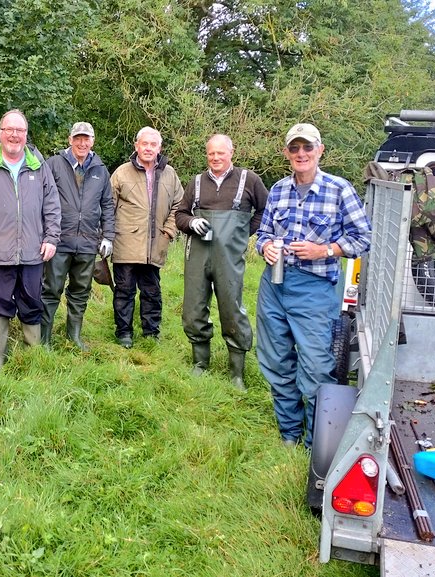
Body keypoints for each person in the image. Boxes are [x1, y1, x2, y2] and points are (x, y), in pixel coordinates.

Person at [255, 123, 371, 448]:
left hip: (315, 289)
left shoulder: (339, 189)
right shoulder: (277, 189)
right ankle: (289, 435)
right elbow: (262, 234)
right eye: (295, 148)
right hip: (274, 286)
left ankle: (314, 442)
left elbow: (364, 238)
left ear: (320, 150)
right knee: (276, 361)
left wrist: (325, 250)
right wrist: (265, 247)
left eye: (308, 147)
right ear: (287, 153)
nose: (301, 154)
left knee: (316, 367)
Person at [0, 109, 61, 370]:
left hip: (33, 251)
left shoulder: (38, 165)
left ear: (26, 134)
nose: (14, 135)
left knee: (32, 302)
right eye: (9, 130)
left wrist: (52, 237)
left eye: (19, 130)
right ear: (0, 133)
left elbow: (52, 204)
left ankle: (33, 356)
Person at [175, 134, 268, 390]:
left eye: (220, 153)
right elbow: (180, 215)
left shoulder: (249, 180)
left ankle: (236, 372)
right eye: (211, 154)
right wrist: (191, 222)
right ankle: (200, 363)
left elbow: (265, 210)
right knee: (193, 309)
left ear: (231, 153)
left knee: (232, 309)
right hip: (198, 255)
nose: (215, 158)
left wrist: (244, 232)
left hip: (229, 257)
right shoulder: (196, 182)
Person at [40, 121, 115, 351]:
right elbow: (42, 200)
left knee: (81, 291)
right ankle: (44, 339)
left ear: (93, 141)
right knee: (51, 290)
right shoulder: (54, 164)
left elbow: (108, 205)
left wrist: (108, 236)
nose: (82, 143)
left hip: (88, 243)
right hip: (59, 241)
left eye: (86, 138)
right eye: (77, 138)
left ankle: (74, 336)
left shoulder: (100, 169)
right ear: (70, 140)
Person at [109, 126, 184, 348]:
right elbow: (108, 206)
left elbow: (180, 205)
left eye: (153, 144)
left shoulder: (170, 174)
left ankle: (151, 333)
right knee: (124, 291)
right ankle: (124, 333)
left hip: (155, 243)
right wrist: (105, 236)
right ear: (137, 146)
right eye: (145, 144)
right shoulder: (121, 173)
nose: (148, 148)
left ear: (159, 148)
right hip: (125, 242)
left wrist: (169, 231)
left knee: (152, 291)